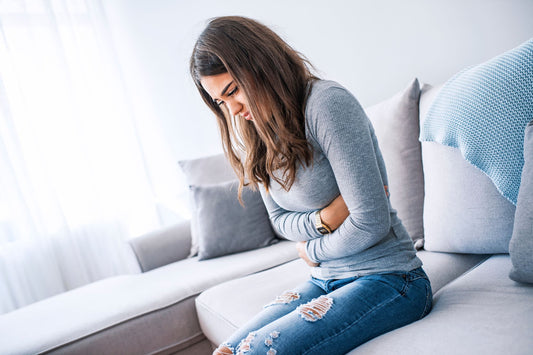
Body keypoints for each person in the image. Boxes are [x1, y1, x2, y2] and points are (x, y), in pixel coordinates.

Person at [190, 16, 432, 355]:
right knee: (227, 350)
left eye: (233, 91)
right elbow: (279, 220)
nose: (232, 109)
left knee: (253, 352)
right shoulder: (257, 132)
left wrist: (311, 250)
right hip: (325, 281)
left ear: (261, 66)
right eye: (220, 101)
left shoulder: (327, 104)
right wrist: (326, 218)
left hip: (392, 278)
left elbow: (371, 222)